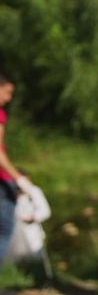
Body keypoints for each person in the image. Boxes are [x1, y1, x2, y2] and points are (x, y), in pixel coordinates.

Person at [0, 71, 35, 268]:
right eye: (7, 92)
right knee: (4, 231)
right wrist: (18, 178)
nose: (9, 98)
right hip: (2, 181)